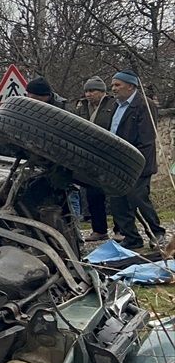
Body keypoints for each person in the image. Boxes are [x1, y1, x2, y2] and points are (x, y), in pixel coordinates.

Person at [107, 71, 165, 250]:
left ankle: (157, 233)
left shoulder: (144, 105)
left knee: (138, 197)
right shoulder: (116, 106)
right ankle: (131, 237)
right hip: (117, 163)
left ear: (131, 86)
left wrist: (134, 162)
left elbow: (146, 140)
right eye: (113, 85)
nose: (113, 89)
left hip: (138, 163)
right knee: (117, 200)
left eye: (118, 85)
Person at [74, 77, 115, 240]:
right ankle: (99, 230)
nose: (89, 94)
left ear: (102, 92)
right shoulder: (82, 108)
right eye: (87, 91)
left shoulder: (112, 106)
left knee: (114, 195)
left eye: (92, 91)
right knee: (93, 194)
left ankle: (120, 230)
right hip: (90, 157)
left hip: (109, 155)